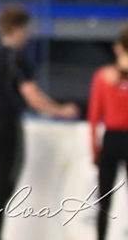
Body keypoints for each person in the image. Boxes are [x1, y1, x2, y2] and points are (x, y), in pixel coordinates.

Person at [0, 5, 78, 240]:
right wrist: (60, 110)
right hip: (7, 125)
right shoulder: (17, 59)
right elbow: (33, 97)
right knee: (3, 187)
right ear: (17, 29)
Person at [88, 25, 128, 240]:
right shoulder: (105, 76)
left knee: (104, 197)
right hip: (118, 137)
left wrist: (94, 146)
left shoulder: (103, 77)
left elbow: (94, 116)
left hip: (112, 139)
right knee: (105, 196)